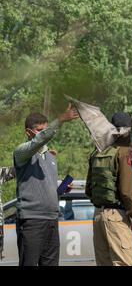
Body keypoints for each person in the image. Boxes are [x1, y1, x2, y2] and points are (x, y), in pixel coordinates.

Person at [13, 104, 79, 266]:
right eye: (39, 130)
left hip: (51, 220)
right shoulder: (21, 152)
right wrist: (61, 119)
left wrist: (59, 190)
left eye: (45, 129)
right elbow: (40, 140)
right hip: (31, 221)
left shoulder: (50, 157)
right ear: (28, 132)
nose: (43, 133)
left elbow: (41, 186)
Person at [85, 112, 132, 266]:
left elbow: (89, 189)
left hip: (98, 215)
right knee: (123, 263)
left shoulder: (98, 151)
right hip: (117, 216)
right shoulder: (124, 152)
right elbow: (126, 191)